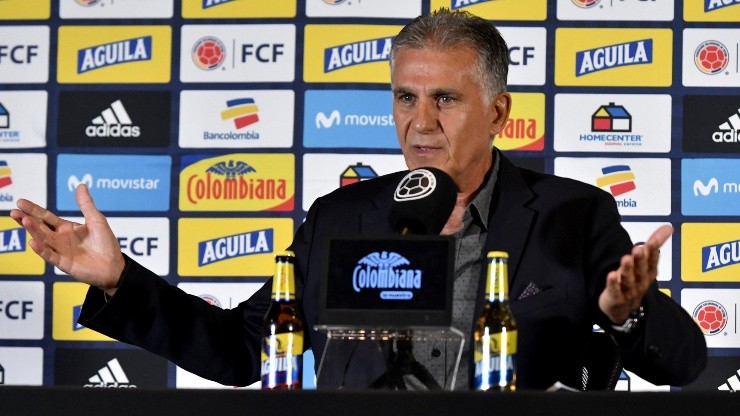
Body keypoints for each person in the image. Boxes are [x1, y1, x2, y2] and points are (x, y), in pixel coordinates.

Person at [10, 9, 706, 390]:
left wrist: (625, 315)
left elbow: (683, 364)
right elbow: (243, 350)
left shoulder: (571, 215)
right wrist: (118, 281)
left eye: (445, 100)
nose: (420, 122)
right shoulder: (341, 217)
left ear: (497, 113)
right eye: (405, 97)